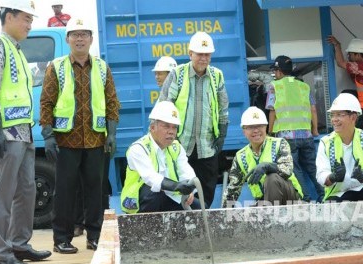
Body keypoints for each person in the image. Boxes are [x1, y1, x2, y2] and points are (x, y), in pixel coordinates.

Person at [0, 0, 51, 264]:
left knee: (26, 191)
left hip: (24, 132)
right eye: (25, 18)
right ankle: (2, 253)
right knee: (2, 195)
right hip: (7, 134)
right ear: (8, 16)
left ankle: (20, 243)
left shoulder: (17, 49)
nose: (29, 24)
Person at [40, 17, 120, 254]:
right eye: (75, 34)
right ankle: (61, 239)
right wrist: (48, 136)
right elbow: (46, 102)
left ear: (91, 39)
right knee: (64, 191)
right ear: (67, 39)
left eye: (84, 34)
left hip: (96, 140)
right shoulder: (56, 67)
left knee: (96, 191)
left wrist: (112, 133)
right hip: (66, 142)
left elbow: (112, 102)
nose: (80, 38)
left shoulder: (102, 68)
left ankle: (95, 236)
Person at [159, 31, 229, 208]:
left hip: (207, 146)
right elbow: (164, 107)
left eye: (207, 54)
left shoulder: (217, 75)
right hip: (180, 145)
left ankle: (202, 229)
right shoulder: (177, 74)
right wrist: (168, 138)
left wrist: (222, 134)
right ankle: (184, 228)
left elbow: (223, 107)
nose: (203, 58)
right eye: (199, 54)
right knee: (180, 190)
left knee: (207, 190)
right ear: (190, 53)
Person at [121, 101, 200, 213]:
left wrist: (190, 190)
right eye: (166, 126)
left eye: (174, 127)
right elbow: (151, 178)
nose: (171, 132)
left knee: (201, 207)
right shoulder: (138, 148)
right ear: (153, 127)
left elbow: (186, 171)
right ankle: (144, 230)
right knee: (153, 194)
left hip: (167, 195)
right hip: (139, 202)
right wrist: (177, 186)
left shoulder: (176, 147)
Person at [266, 55, 324, 202]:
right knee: (312, 168)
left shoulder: (274, 86)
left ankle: (306, 198)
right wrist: (315, 130)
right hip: (306, 135)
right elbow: (313, 110)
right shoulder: (304, 86)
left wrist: (270, 132)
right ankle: (324, 195)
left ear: (279, 71)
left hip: (287, 138)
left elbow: (272, 111)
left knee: (295, 170)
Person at [221, 107, 303, 208]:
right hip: (264, 202)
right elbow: (233, 189)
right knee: (247, 215)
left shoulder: (279, 144)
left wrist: (267, 167)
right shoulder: (240, 156)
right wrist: (223, 215)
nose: (256, 131)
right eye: (250, 127)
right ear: (244, 131)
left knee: (271, 178)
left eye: (259, 126)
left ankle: (271, 219)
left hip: (290, 198)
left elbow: (287, 170)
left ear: (265, 127)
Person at [316, 93, 363, 202]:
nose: (334, 119)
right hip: (339, 193)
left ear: (353, 117)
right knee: (330, 206)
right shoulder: (325, 142)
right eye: (332, 115)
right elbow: (321, 175)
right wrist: (333, 177)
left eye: (340, 115)